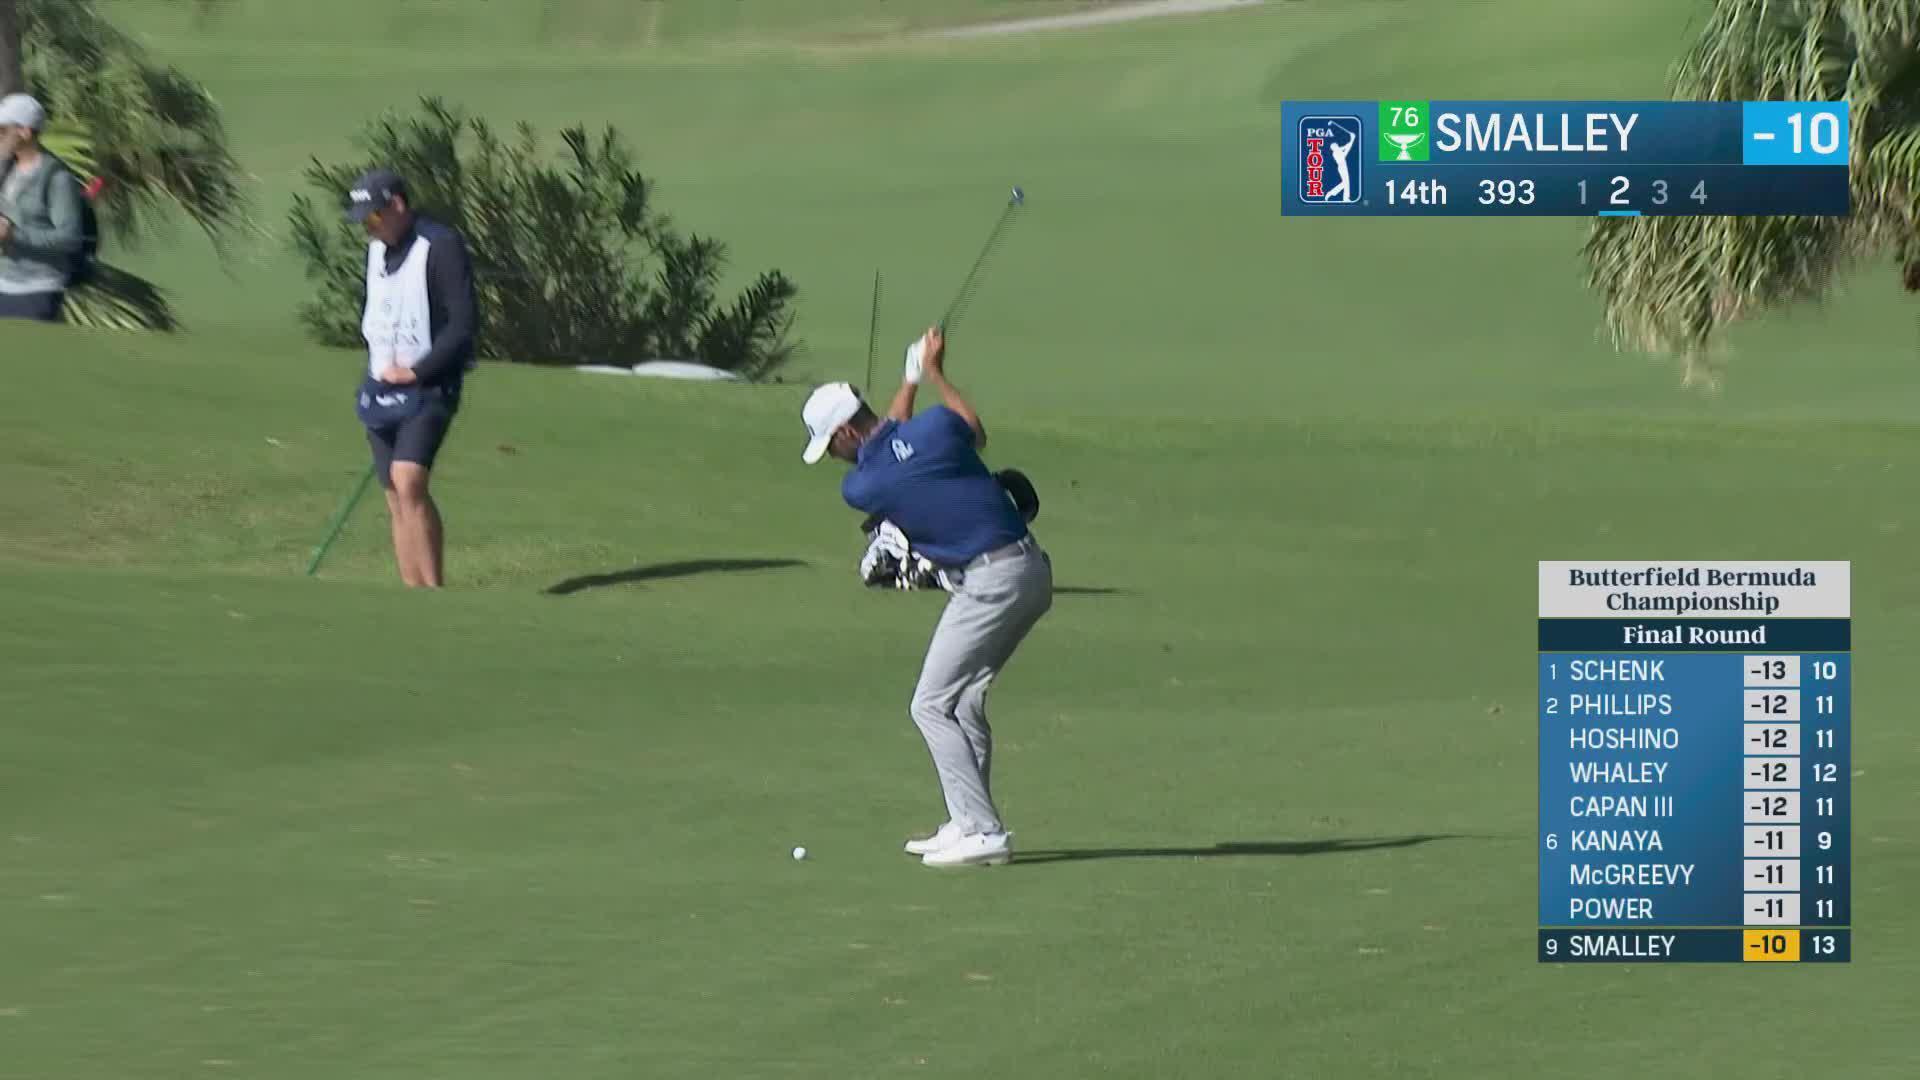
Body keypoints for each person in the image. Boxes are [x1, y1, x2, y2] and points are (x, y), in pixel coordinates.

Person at [801, 327, 1054, 868]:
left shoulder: (861, 488)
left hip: (991, 583)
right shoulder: (936, 430)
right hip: (1028, 571)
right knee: (962, 702)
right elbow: (968, 431)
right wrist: (925, 375)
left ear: (845, 433)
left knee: (929, 704)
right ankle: (969, 819)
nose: (834, 460)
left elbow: (887, 441)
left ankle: (983, 831)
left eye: (831, 447)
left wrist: (914, 379)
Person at [344, 168, 477, 588]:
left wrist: (418, 370)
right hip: (381, 386)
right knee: (393, 496)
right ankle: (412, 594)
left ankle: (433, 591)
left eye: (373, 217)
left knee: (409, 480)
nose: (369, 227)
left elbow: (463, 324)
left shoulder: (440, 246)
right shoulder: (376, 253)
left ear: (397, 206)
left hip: (430, 383)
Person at [0, 94, 86, 322]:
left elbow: (70, 238)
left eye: (2, 130)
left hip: (37, 292)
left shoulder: (57, 179)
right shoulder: (8, 170)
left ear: (25, 132)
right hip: (4, 284)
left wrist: (14, 235)